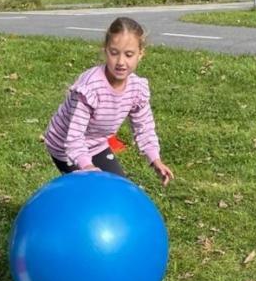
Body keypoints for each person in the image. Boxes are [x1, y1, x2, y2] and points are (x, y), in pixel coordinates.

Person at [44, 16, 174, 185]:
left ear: (140, 54)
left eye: (129, 54)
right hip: (64, 146)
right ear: (105, 50)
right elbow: (74, 137)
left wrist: (155, 159)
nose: (121, 62)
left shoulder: (136, 88)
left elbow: (144, 128)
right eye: (114, 53)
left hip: (97, 144)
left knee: (117, 187)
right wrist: (87, 166)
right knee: (90, 189)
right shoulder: (90, 88)